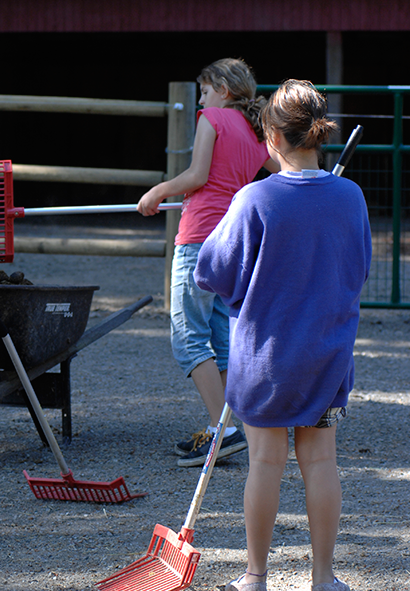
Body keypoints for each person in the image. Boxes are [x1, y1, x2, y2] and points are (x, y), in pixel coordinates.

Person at [194, 80, 371, 591]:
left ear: (271, 135)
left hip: (266, 358)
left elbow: (214, 270)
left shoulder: (256, 197)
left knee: (265, 462)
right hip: (326, 355)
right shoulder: (350, 196)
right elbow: (358, 270)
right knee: (321, 461)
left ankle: (254, 579)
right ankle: (324, 580)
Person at [137, 58, 278, 467]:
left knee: (188, 339)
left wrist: (159, 190)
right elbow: (283, 170)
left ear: (223, 89)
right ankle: (233, 428)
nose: (201, 98)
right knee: (221, 339)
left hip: (198, 238)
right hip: (233, 243)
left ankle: (223, 431)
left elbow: (198, 176)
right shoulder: (256, 131)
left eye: (204, 89)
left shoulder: (212, 117)